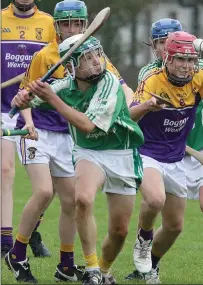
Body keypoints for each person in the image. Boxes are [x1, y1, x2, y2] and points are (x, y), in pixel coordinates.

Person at [11, 34, 145, 285]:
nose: (96, 61)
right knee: (82, 199)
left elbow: (86, 124)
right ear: (71, 66)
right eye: (87, 58)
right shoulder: (65, 86)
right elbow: (32, 98)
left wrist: (52, 98)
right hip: (88, 152)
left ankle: (104, 271)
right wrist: (22, 99)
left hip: (121, 153)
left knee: (119, 231)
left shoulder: (109, 84)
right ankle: (92, 268)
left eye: (97, 54)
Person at [126, 19, 203, 283]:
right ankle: (143, 243)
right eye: (162, 43)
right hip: (158, 152)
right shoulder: (150, 76)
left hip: (194, 151)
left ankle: (149, 266)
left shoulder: (200, 71)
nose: (185, 63)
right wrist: (147, 106)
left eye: (188, 57)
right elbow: (133, 114)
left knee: (177, 224)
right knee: (156, 200)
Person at [5, 0, 90, 283]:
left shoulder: (92, 57)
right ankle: (16, 254)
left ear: (85, 25)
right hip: (37, 131)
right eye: (66, 23)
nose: (72, 28)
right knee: (43, 192)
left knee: (71, 202)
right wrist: (28, 123)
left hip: (67, 137)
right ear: (57, 26)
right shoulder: (45, 56)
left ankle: (66, 264)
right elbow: (24, 96)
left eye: (77, 23)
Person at [1, 0, 55, 258]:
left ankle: (32, 229)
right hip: (2, 108)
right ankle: (5, 241)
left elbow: (56, 62)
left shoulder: (49, 24)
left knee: (49, 185)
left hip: (39, 110)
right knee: (5, 171)